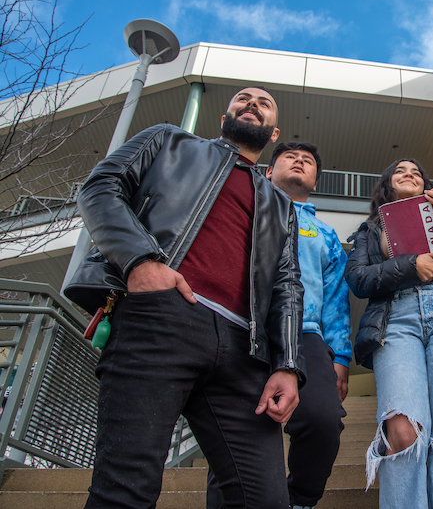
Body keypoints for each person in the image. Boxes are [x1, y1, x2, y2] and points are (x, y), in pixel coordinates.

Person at [64, 86, 305, 509]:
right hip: (160, 318)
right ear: (224, 116)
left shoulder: (280, 205)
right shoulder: (168, 140)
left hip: (244, 351)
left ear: (273, 133)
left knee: (266, 500)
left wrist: (287, 364)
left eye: (264, 103)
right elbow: (100, 187)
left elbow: (286, 284)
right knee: (126, 490)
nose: (252, 103)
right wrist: (139, 261)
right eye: (243, 98)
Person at [206, 141, 352, 509]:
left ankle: (298, 499)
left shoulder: (325, 233)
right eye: (291, 157)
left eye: (308, 161)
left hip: (307, 335)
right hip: (242, 328)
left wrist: (342, 357)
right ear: (268, 171)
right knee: (237, 427)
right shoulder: (245, 207)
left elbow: (336, 297)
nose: (300, 161)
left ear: (315, 181)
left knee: (323, 420)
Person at [344, 159, 433, 509]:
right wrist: (412, 265)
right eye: (400, 171)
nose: (409, 174)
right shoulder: (369, 229)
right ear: (386, 185)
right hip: (396, 320)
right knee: (402, 433)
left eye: (416, 172)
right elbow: (358, 280)